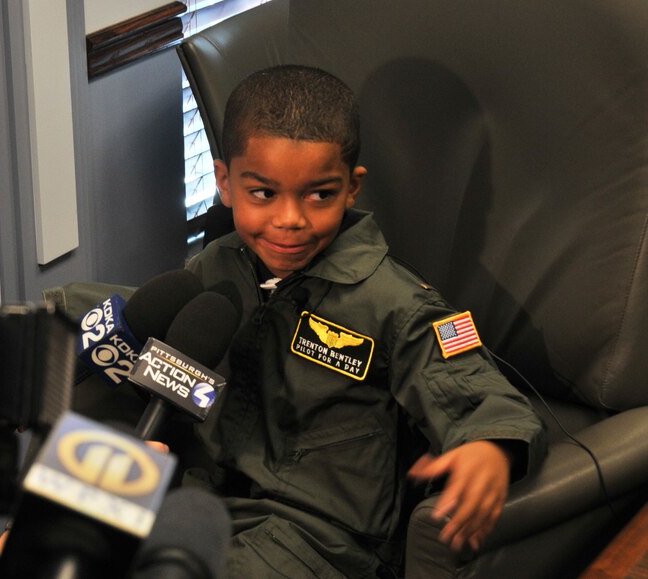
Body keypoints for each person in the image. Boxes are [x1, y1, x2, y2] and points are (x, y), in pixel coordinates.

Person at [181, 65, 546, 578]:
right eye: (263, 193)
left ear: (352, 188)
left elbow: (481, 393)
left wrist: (489, 448)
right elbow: (172, 374)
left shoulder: (398, 305)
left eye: (319, 195)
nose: (290, 219)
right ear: (224, 182)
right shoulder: (209, 270)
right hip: (203, 499)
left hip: (321, 538)